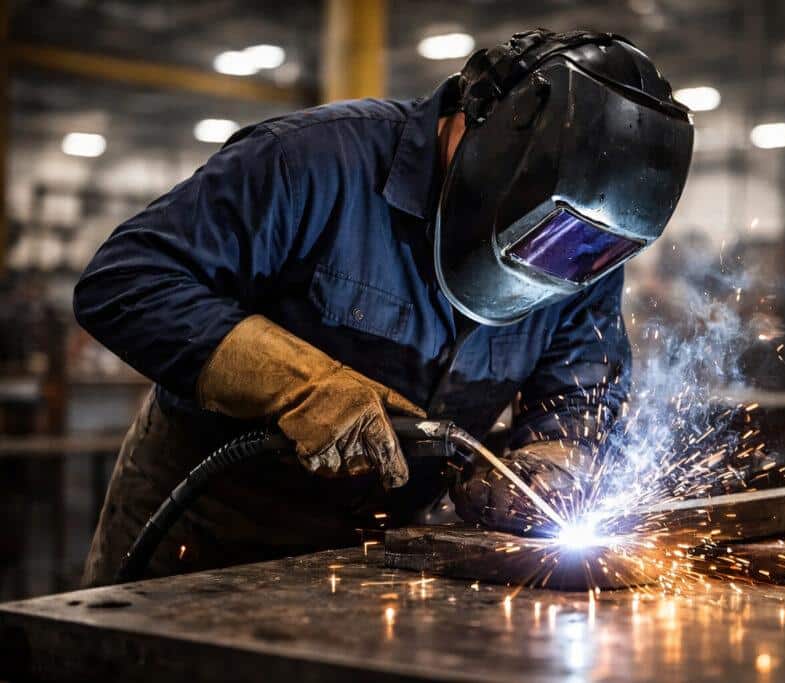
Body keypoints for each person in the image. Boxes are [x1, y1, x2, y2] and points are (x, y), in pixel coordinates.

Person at [73, 29, 694, 586]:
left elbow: (578, 396)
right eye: (542, 231)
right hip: (203, 532)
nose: (557, 261)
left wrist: (552, 462)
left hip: (381, 560)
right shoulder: (313, 162)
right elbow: (126, 281)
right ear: (494, 134)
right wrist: (299, 385)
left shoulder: (583, 250)